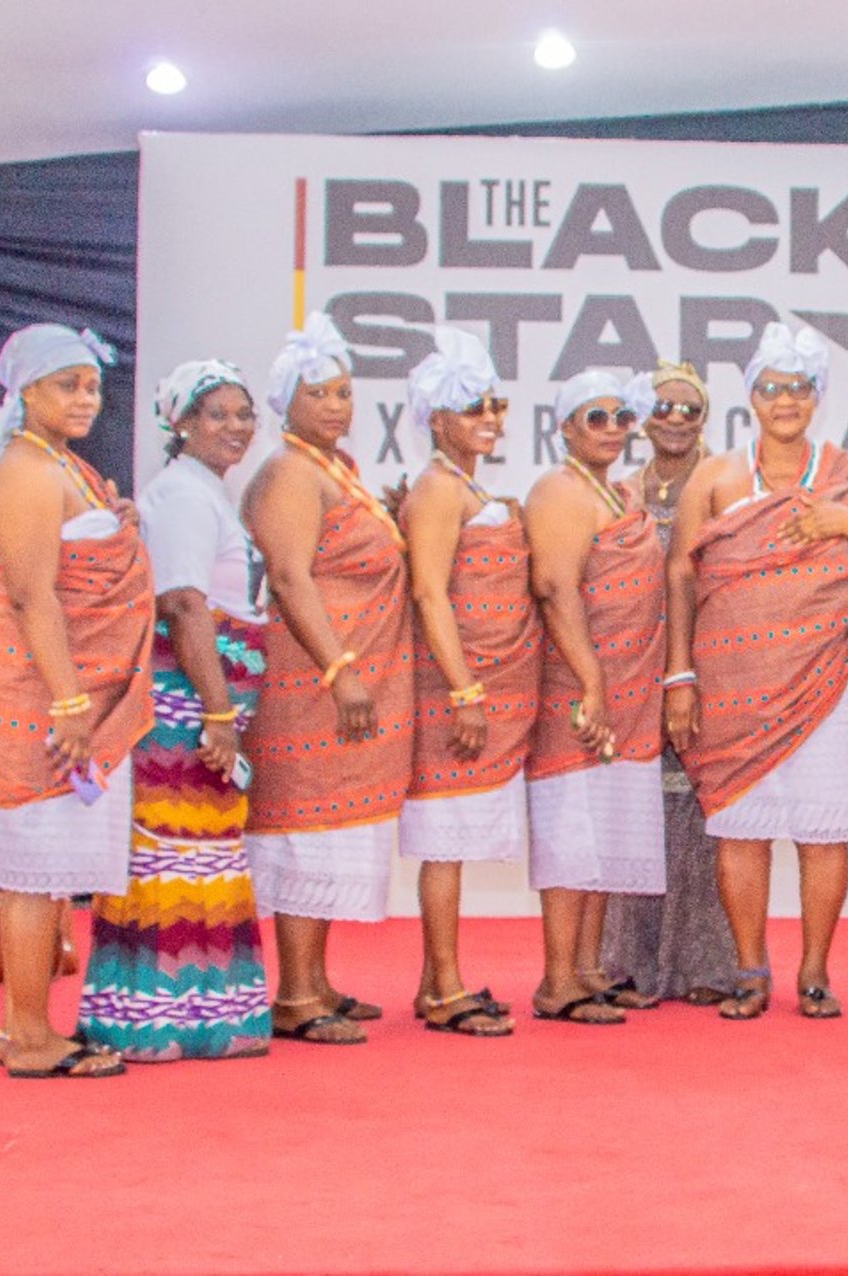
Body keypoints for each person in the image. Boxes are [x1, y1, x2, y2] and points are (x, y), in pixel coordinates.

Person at [0, 323, 152, 1079]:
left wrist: (120, 531)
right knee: (31, 870)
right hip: (39, 692)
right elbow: (32, 595)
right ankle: (25, 1036)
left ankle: (34, 1026)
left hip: (62, 689)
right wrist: (70, 703)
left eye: (92, 385)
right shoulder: (24, 471)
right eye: (67, 385)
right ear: (26, 393)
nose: (86, 398)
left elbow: (81, 561)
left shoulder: (60, 464)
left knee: (49, 872)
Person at [666, 323, 848, 1020]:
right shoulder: (716, 476)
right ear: (751, 396)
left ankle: (814, 973)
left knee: (824, 829)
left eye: (800, 388)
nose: (786, 401)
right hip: (733, 683)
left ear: (817, 397)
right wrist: (678, 676)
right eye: (772, 388)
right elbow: (680, 577)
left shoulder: (846, 475)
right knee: (741, 826)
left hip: (831, 679)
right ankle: (751, 972)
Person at [77, 359, 272, 1061]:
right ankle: (156, 1020)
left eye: (245, 414)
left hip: (201, 701)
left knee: (200, 858)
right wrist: (217, 714)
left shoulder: (203, 490)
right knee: (175, 857)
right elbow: (185, 606)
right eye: (217, 414)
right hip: (184, 708)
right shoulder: (185, 496)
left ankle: (199, 1016)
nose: (235, 427)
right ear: (181, 423)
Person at [240, 312, 415, 1045]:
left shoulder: (332, 467)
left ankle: (317, 982)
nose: (337, 406)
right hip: (311, 679)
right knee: (306, 826)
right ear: (288, 403)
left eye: (344, 392)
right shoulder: (287, 471)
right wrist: (339, 670)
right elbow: (288, 577)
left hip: (348, 671)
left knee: (334, 825)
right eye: (319, 394)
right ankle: (295, 996)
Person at [396, 328, 534, 1037]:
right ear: (437, 419)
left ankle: (434, 983)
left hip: (481, 683)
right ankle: (447, 987)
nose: (490, 417)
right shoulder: (436, 489)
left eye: (496, 404)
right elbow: (428, 593)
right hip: (453, 689)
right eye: (473, 406)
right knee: (443, 839)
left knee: (452, 836)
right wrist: (465, 691)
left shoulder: (465, 484)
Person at [523, 370, 666, 1025]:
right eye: (596, 417)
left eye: (621, 417)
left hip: (626, 691)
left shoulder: (614, 491)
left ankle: (586, 970)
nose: (612, 429)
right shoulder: (560, 490)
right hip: (578, 689)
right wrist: (590, 681)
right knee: (571, 830)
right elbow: (555, 589)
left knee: (603, 830)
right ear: (566, 427)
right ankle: (558, 981)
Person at [598, 360, 739, 1006]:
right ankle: (631, 963)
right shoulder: (620, 492)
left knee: (705, 813)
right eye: (663, 407)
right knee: (639, 808)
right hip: (633, 669)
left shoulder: (724, 487)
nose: (676, 418)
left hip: (707, 664)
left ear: (705, 418)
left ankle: (708, 967)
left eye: (690, 408)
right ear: (641, 420)